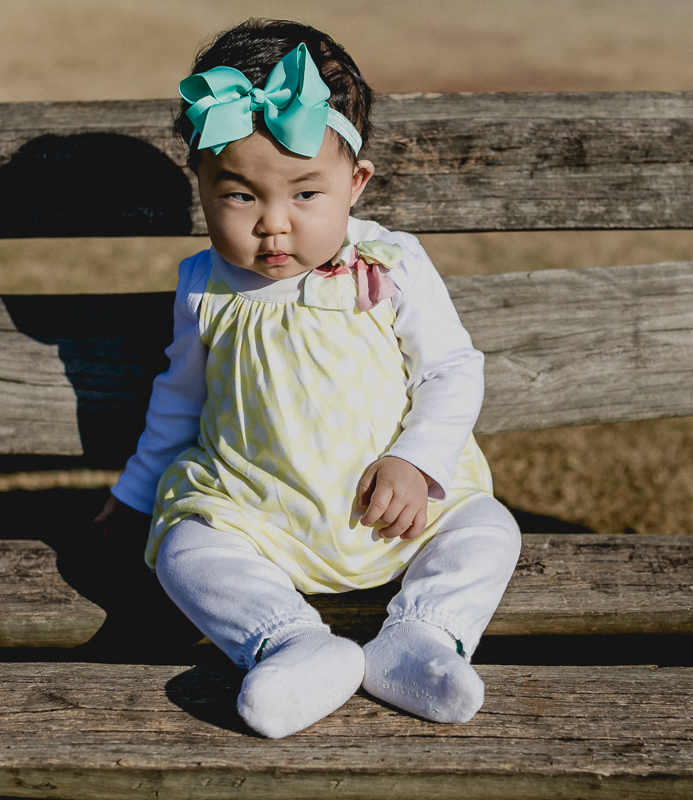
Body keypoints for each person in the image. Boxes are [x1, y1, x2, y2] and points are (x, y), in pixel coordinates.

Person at [94, 19, 521, 739]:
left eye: (304, 195)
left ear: (354, 184)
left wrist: (418, 461)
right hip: (253, 509)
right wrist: (136, 494)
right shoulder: (205, 286)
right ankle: (290, 642)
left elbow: (451, 369)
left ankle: (423, 639)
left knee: (488, 528)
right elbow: (179, 397)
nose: (273, 226)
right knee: (184, 549)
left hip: (391, 507)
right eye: (239, 196)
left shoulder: (391, 264)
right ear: (201, 183)